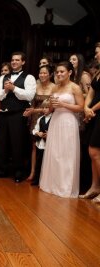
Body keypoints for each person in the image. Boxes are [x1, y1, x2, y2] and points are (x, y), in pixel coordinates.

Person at [39, 61, 84, 198]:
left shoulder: (75, 88)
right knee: (54, 152)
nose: (59, 74)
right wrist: (50, 107)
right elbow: (52, 108)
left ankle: (65, 187)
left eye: (62, 71)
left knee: (66, 153)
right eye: (57, 72)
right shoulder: (55, 88)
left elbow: (81, 107)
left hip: (68, 121)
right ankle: (52, 184)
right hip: (56, 121)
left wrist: (63, 103)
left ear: (70, 72)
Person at [0, 52, 36, 182]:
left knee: (17, 143)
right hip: (4, 114)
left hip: (18, 114)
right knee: (1, 142)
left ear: (23, 62)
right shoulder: (3, 77)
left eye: (17, 60)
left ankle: (18, 172)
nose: (14, 62)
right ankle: (1, 169)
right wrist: (5, 90)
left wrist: (14, 88)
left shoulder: (29, 78)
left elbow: (29, 96)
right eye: (12, 60)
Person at [23, 64, 54, 181]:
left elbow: (52, 107)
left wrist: (35, 110)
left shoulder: (54, 87)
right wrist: (31, 111)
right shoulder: (35, 86)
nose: (42, 75)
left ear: (50, 74)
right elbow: (31, 103)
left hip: (49, 118)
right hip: (35, 119)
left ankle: (46, 174)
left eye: (45, 73)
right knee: (34, 147)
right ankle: (33, 172)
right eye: (41, 73)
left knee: (48, 146)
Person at [79, 42, 100, 203]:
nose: (96, 55)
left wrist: (91, 109)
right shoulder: (98, 72)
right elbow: (91, 93)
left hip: (97, 114)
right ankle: (94, 187)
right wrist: (86, 107)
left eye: (98, 52)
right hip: (93, 114)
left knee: (95, 151)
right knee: (92, 152)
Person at [30, 100, 52, 186]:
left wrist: (49, 134)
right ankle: (37, 180)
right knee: (39, 162)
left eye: (47, 107)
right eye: (43, 107)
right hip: (41, 144)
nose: (44, 109)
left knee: (48, 163)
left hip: (50, 145)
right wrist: (37, 133)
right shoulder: (40, 119)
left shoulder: (54, 119)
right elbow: (35, 129)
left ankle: (47, 181)